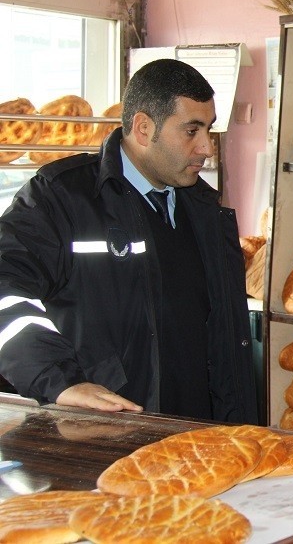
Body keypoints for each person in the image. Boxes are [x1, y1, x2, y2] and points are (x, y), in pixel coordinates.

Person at [0, 58, 259, 424]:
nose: (206, 148)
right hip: (106, 437)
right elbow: (4, 288)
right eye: (191, 131)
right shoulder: (62, 198)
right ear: (142, 128)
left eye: (209, 130)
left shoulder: (204, 210)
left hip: (200, 440)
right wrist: (60, 383)